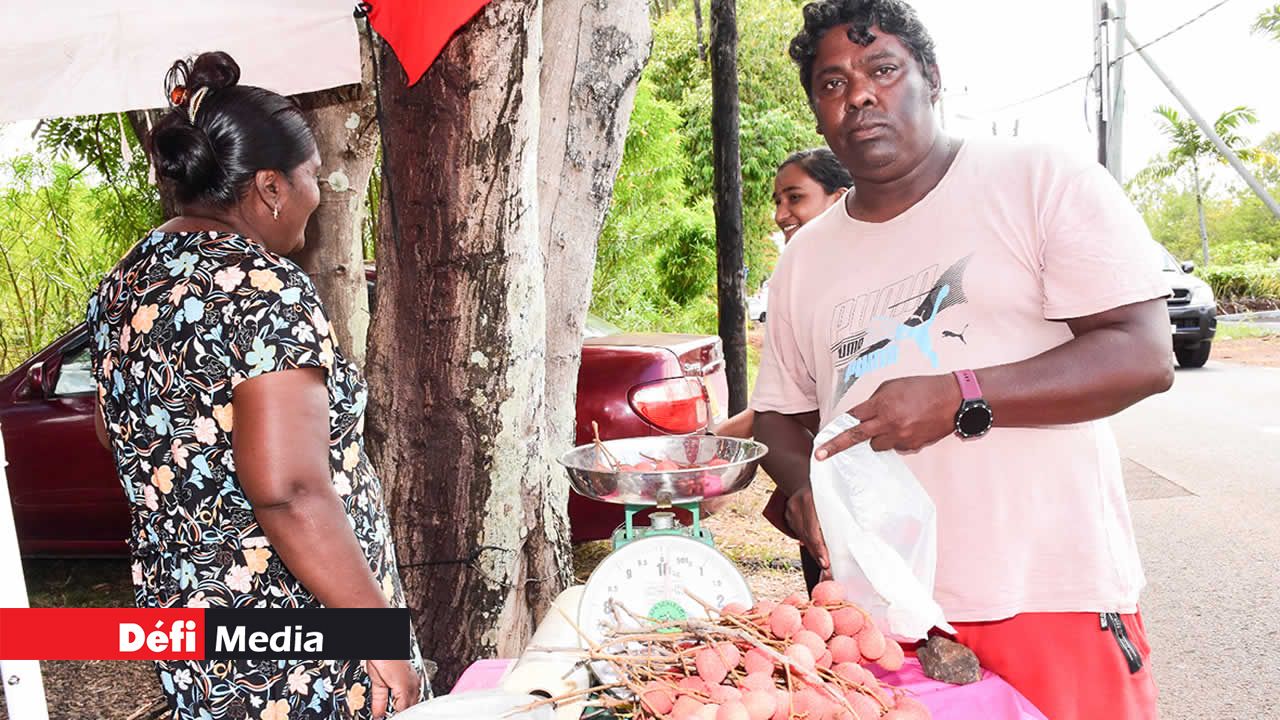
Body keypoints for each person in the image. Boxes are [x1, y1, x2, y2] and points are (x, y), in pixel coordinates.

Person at [751, 2, 1173, 718]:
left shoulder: (1037, 178)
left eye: (882, 69)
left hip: (1049, 595)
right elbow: (780, 417)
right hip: (881, 624)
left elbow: (1142, 351)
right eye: (831, 84)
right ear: (818, 114)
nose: (858, 95)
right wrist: (806, 490)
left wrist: (962, 393)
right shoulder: (806, 259)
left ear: (932, 78)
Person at [87, 52, 424, 720]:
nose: (317, 194)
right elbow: (290, 491)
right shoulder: (262, 288)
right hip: (296, 641)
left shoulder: (127, 282)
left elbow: (114, 428)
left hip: (195, 631)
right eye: (311, 177)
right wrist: (375, 634)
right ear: (269, 187)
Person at [713, 148, 852, 440]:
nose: (780, 215)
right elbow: (778, 404)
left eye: (795, 198)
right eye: (778, 201)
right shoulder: (792, 282)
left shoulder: (873, 275)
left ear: (838, 199)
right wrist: (707, 444)